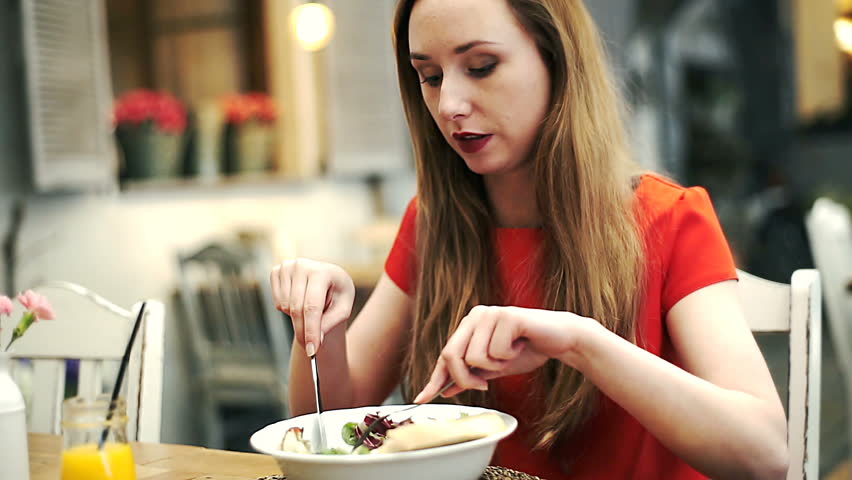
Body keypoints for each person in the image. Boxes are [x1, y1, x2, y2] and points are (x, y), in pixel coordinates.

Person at [269, 0, 788, 478]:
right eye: (429, 76)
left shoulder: (668, 218)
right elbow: (329, 427)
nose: (449, 103)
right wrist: (321, 328)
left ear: (556, 62)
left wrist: (581, 341)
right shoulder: (432, 223)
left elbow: (764, 456)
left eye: (481, 67)